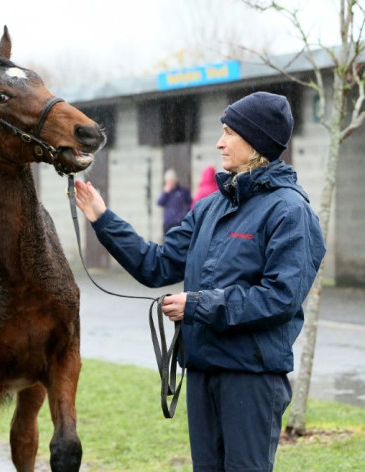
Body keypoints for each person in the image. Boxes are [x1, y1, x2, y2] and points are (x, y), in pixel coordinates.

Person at [74, 91, 325, 472]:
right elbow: (156, 265)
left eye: (229, 133)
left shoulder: (290, 211)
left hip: (251, 377)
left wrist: (197, 305)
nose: (220, 142)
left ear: (256, 141)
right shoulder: (209, 207)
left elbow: (280, 298)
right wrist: (103, 219)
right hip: (203, 369)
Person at [157, 168, 192, 235]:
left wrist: (184, 215)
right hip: (168, 222)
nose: (170, 182)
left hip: (180, 222)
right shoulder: (166, 192)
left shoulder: (183, 191)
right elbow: (160, 203)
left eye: (171, 180)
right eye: (168, 181)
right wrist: (165, 192)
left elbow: (190, 204)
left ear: (175, 180)